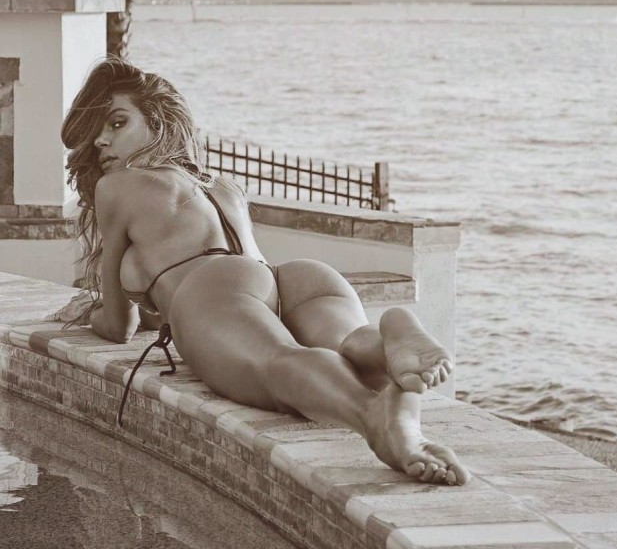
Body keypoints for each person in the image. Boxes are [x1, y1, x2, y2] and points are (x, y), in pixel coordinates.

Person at [61, 58, 470, 486]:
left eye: (117, 123)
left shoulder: (117, 186)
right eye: (96, 133)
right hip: (290, 281)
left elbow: (118, 325)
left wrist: (88, 313)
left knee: (278, 361)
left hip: (214, 290)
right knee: (348, 346)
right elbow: (201, 289)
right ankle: (387, 341)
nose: (101, 141)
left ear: (158, 122)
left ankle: (373, 416)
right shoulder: (220, 185)